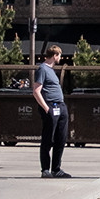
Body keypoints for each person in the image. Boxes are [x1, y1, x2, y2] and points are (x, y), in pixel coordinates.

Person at [32, 45, 70, 179]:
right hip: (50, 106)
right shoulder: (42, 69)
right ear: (55, 56)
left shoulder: (51, 70)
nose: (60, 58)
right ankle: (45, 169)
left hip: (61, 105)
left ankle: (56, 168)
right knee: (48, 138)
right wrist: (46, 108)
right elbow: (36, 91)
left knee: (61, 138)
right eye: (59, 55)